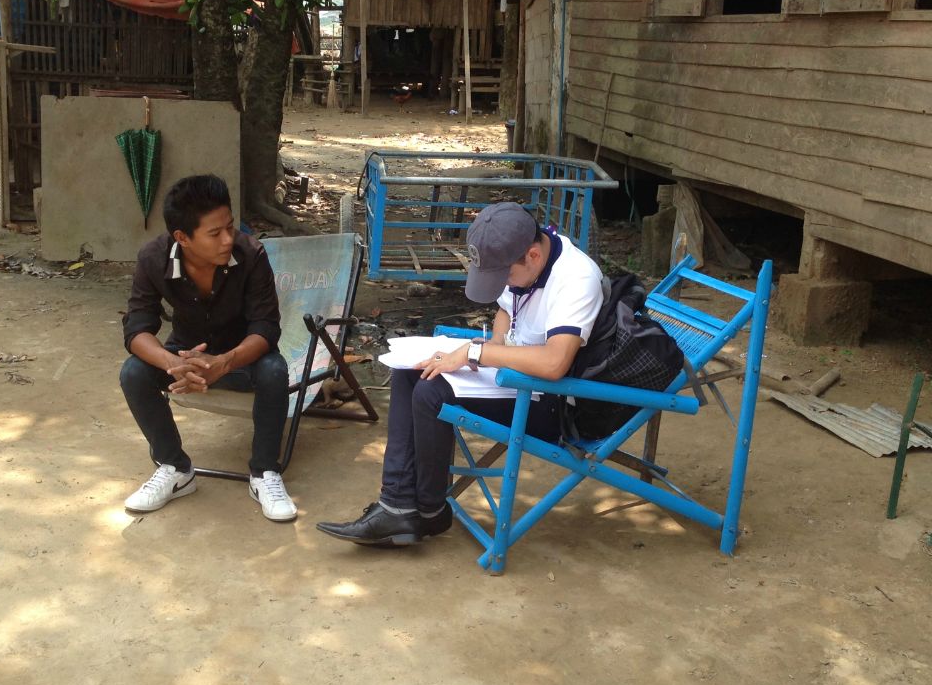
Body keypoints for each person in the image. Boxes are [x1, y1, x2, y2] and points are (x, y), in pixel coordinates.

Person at [316, 202, 606, 546]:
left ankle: (428, 511)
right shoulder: (529, 259)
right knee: (413, 372)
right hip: (513, 378)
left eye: (505, 276)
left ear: (532, 255)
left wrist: (477, 352)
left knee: (431, 392)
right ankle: (397, 503)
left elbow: (554, 363)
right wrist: (495, 346)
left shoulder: (576, 278)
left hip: (550, 402)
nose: (504, 284)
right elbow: (506, 307)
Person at [120, 174, 297, 521]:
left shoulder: (251, 254)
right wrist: (172, 363)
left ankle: (264, 473)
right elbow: (137, 328)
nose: (228, 239)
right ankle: (175, 468)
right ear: (182, 238)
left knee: (275, 370)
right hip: (184, 360)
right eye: (215, 233)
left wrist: (225, 362)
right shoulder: (153, 258)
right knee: (134, 372)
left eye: (230, 227)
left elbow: (266, 328)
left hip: (242, 360)